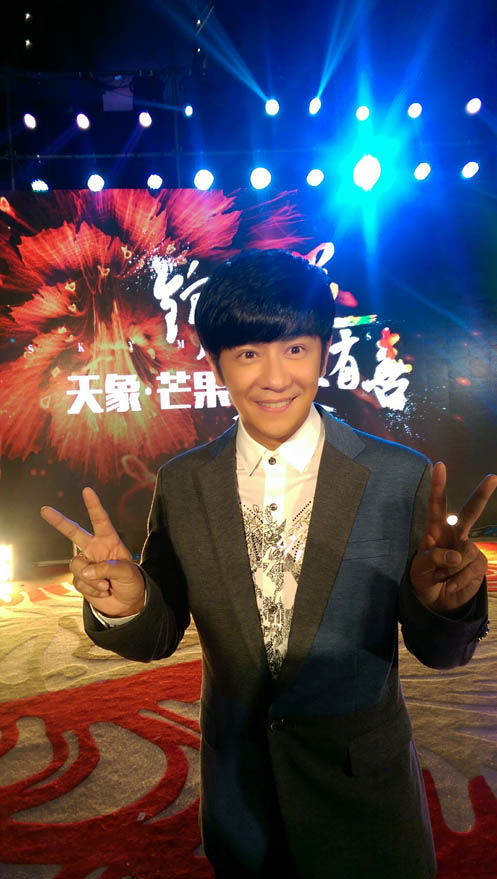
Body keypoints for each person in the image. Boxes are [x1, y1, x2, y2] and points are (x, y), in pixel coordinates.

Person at [41, 250, 495, 879]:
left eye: (296, 349)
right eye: (249, 353)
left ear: (324, 353)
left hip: (363, 795)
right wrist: (128, 605)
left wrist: (447, 608)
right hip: (240, 790)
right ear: (216, 362)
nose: (275, 378)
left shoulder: (398, 476)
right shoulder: (184, 481)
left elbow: (442, 654)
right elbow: (160, 631)